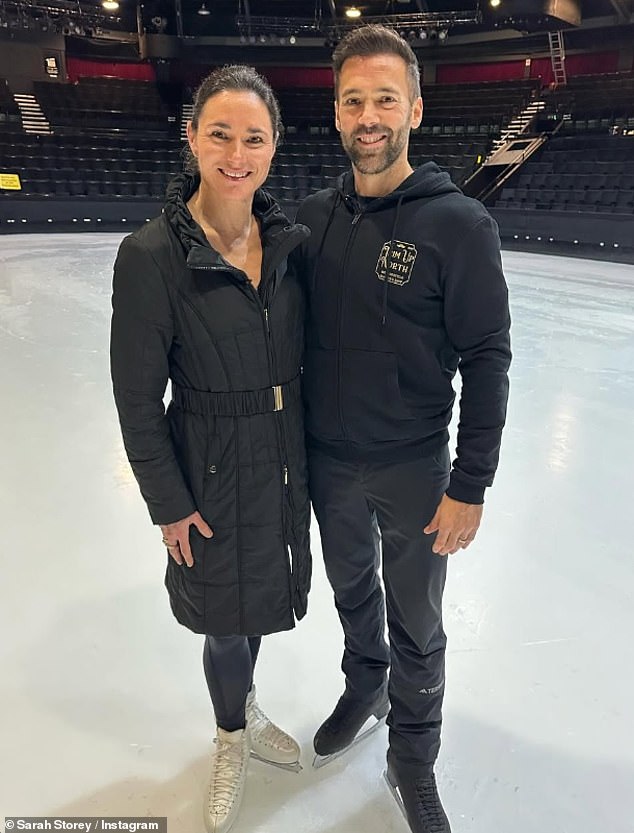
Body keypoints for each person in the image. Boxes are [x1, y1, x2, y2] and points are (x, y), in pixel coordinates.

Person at [295, 25, 511, 833]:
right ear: (338, 114)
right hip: (328, 462)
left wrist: (470, 483)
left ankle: (412, 755)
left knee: (418, 620)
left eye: (386, 98)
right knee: (353, 591)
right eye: (354, 100)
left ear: (414, 108)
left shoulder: (457, 225)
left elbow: (487, 357)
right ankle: (365, 685)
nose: (369, 115)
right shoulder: (313, 218)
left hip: (416, 468)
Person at [110, 65, 312, 833]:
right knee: (224, 622)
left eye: (253, 137)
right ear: (191, 137)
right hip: (210, 465)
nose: (237, 153)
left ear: (273, 147)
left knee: (260, 598)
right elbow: (137, 397)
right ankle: (231, 733)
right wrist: (169, 500)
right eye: (220, 134)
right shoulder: (151, 255)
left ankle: (246, 708)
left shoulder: (288, 242)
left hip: (285, 456)